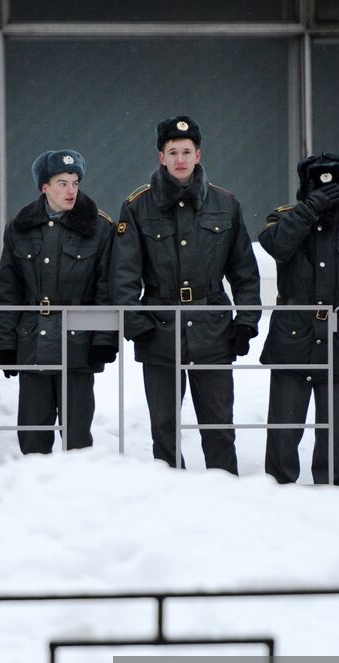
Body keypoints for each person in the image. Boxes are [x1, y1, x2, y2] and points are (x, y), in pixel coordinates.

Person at [110, 115, 260, 472]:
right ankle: (169, 498)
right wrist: (136, 323)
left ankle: (225, 493)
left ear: (199, 155)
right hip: (160, 328)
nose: (180, 159)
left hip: (213, 327)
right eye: (172, 151)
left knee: (219, 425)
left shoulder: (226, 205)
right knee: (164, 427)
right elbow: (123, 275)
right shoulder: (137, 206)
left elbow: (245, 272)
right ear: (161, 157)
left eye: (186, 151)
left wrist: (247, 322)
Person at [258, 151, 339, 485]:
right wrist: (310, 207)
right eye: (318, 187)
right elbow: (278, 246)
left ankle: (332, 488)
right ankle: (278, 490)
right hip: (291, 336)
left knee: (332, 431)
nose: (327, 194)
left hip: (337, 338)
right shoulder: (283, 218)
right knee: (284, 430)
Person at [0, 149, 116, 454]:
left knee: (77, 440)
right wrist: (5, 343)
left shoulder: (100, 228)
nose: (71, 190)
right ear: (44, 187)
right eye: (62, 183)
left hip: (79, 347)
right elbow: (8, 290)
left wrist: (104, 339)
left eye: (75, 182)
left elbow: (106, 289)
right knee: (33, 438)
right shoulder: (19, 227)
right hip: (32, 343)